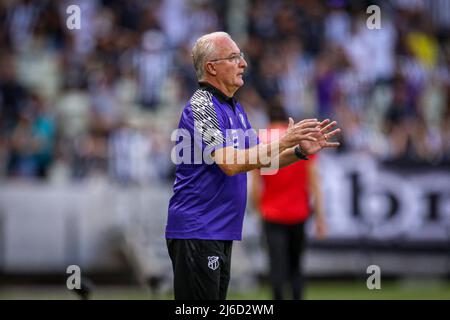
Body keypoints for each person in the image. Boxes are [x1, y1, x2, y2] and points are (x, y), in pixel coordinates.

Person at [165, 31, 340, 300]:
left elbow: (261, 159)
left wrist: (299, 151)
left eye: (241, 57)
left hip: (218, 229)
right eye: (234, 57)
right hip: (198, 228)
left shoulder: (235, 108)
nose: (243, 64)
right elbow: (230, 164)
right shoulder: (202, 105)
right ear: (211, 67)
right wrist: (284, 140)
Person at [250, 106, 327, 300]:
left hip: (272, 214)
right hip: (298, 213)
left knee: (277, 268)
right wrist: (320, 217)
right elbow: (314, 183)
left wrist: (258, 210)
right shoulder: (299, 140)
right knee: (296, 268)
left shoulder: (261, 140)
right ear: (287, 119)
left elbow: (255, 186)